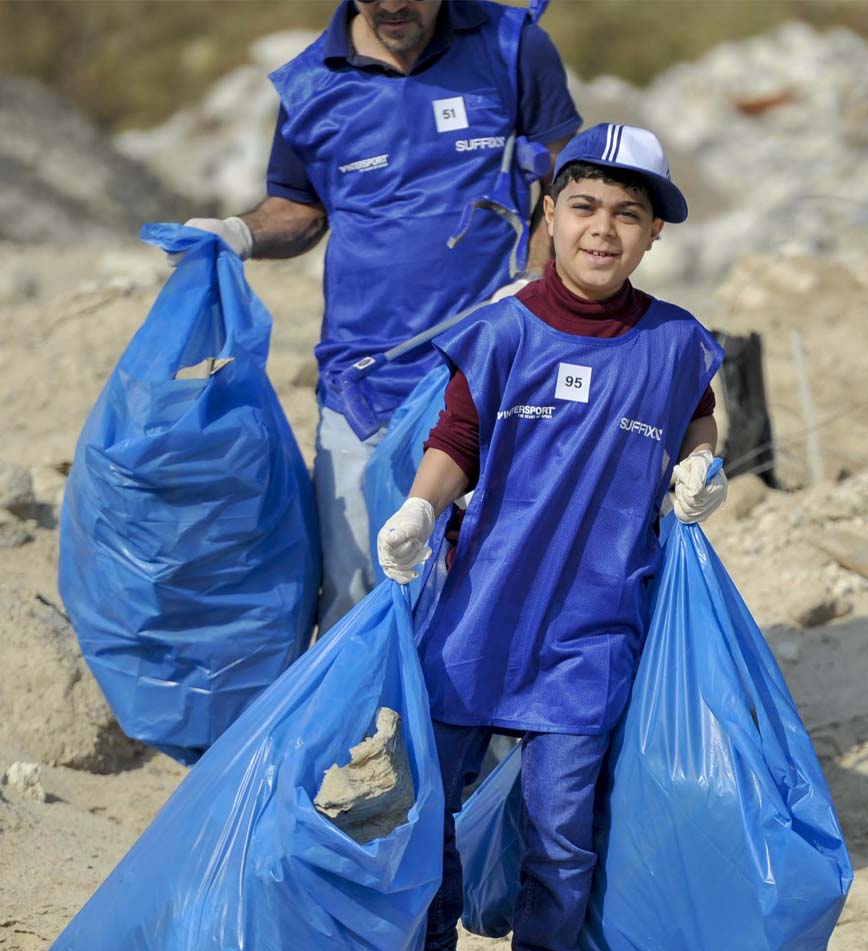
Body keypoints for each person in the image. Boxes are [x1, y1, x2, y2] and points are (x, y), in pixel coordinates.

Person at [377, 123, 728, 951]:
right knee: (428, 812)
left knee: (563, 842)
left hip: (590, 634)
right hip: (476, 620)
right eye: (584, 207)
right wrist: (420, 511)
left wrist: (703, 462)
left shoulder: (675, 341)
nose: (602, 230)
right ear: (549, 213)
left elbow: (703, 414)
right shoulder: (503, 330)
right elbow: (456, 437)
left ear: (655, 233)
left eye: (628, 214)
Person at [171, 0, 581, 632]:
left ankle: (463, 730)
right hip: (360, 387)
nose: (392, 5)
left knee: (489, 592)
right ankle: (360, 728)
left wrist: (534, 278)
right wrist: (239, 232)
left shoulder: (512, 46)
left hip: (488, 381)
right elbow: (300, 210)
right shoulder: (310, 84)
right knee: (356, 592)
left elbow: (568, 181)